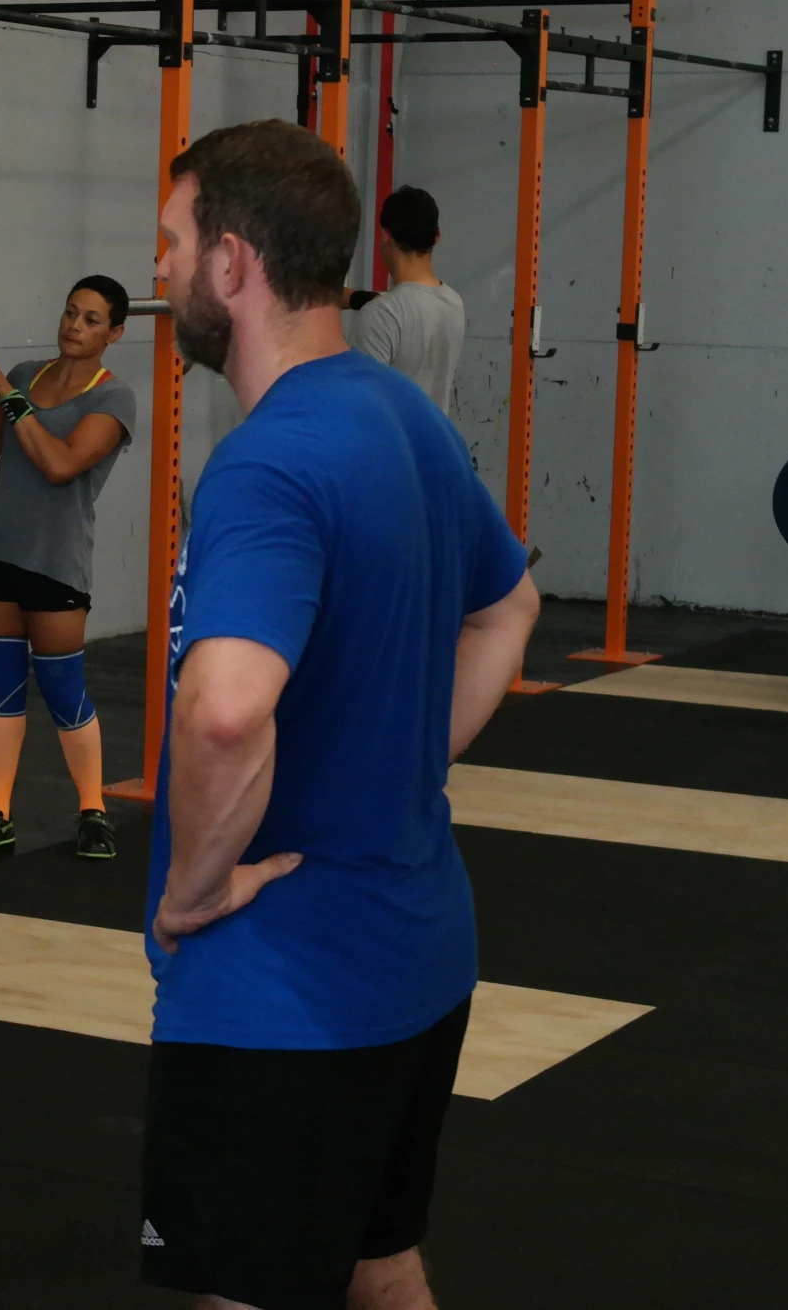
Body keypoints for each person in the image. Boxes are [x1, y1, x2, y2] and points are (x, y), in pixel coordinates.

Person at [143, 121, 540, 1310]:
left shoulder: (267, 464)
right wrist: (404, 762)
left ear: (230, 265)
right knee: (378, 1266)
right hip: (416, 955)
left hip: (279, 985)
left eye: (169, 244)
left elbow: (222, 711)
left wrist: (195, 888)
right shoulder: (398, 414)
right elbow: (508, 606)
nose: (157, 272)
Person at [0, 276, 138, 862]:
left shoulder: (114, 397)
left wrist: (8, 394)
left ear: (115, 333)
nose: (75, 327)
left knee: (62, 690)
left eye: (92, 319)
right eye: (71, 313)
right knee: (1, 694)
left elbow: (60, 465)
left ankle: (93, 812)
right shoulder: (26, 375)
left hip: (56, 565)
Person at [352, 186, 466, 416]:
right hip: (433, 448)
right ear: (437, 236)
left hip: (388, 451)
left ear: (385, 235)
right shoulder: (454, 303)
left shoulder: (381, 315)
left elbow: (361, 408)